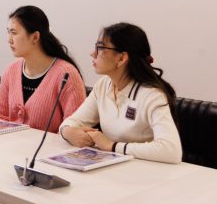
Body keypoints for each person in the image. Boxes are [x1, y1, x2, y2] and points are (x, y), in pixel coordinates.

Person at [59, 23, 182, 164]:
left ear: (122, 58)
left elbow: (171, 151)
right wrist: (68, 132)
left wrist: (112, 146)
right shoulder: (103, 84)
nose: (93, 54)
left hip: (146, 171)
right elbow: (73, 122)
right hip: (114, 167)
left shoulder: (152, 95)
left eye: (101, 48)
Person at [0, 6, 86, 132]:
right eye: (8, 32)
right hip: (10, 143)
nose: (9, 40)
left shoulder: (66, 75)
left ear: (35, 37)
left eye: (14, 33)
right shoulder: (11, 70)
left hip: (48, 145)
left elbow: (75, 130)